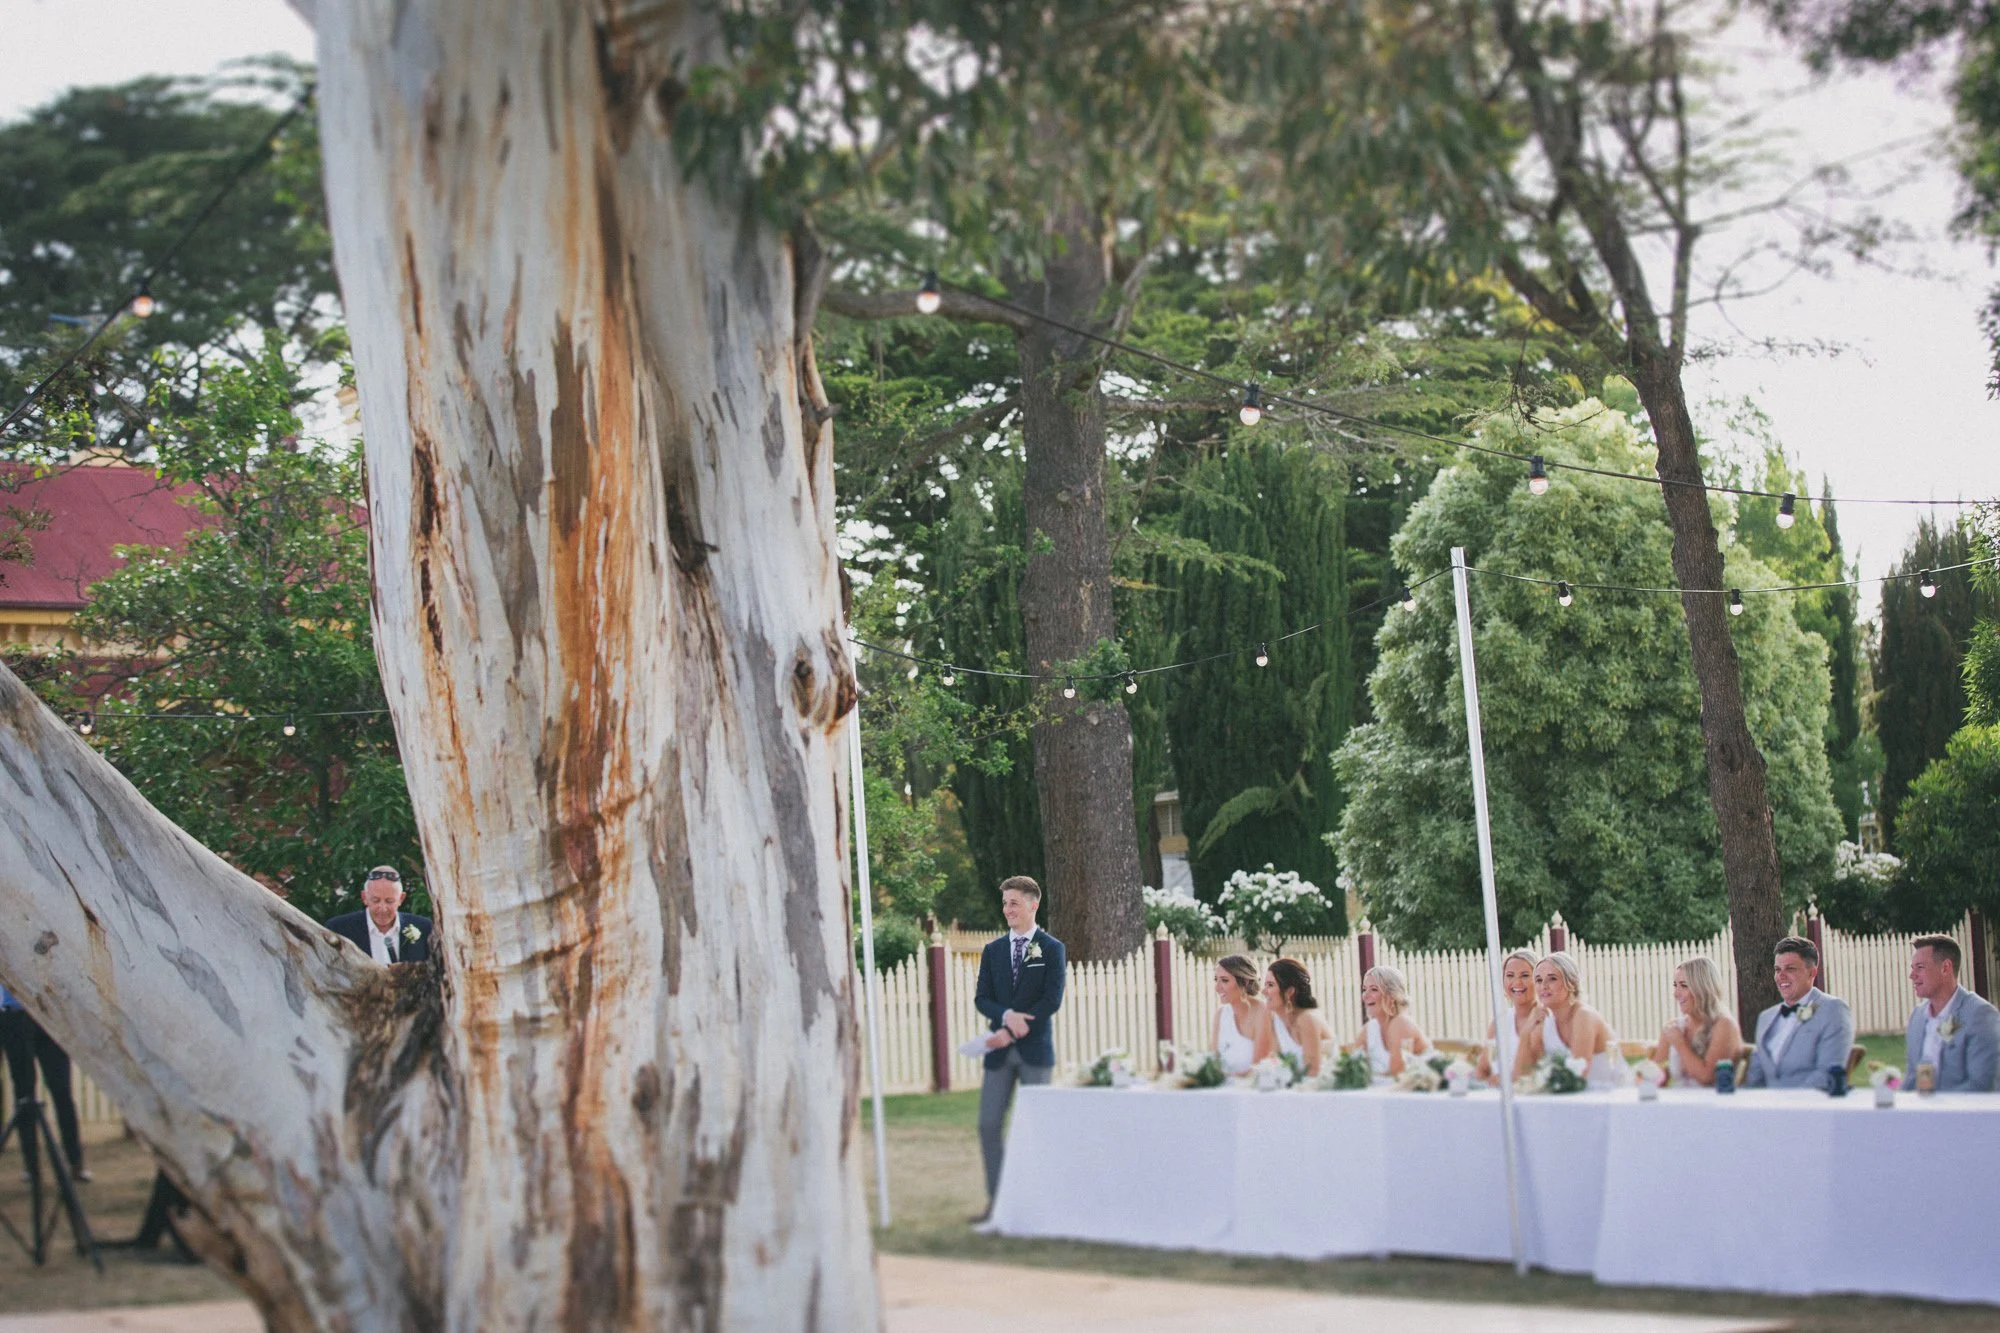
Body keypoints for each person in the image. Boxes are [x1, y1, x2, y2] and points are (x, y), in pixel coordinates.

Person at [972, 876, 1066, 1219]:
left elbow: (1051, 1000)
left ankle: (1040, 1204)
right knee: (988, 1125)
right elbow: (982, 998)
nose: (1007, 909)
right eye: (1005, 903)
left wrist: (1013, 1030)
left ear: (1033, 904)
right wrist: (1007, 1016)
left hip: (1034, 1051)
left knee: (1038, 1128)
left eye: (1014, 902)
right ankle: (999, 1204)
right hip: (997, 1053)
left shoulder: (1052, 948)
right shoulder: (993, 950)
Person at [0, 983, 87, 1182]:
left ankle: (75, 1163)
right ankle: (32, 1168)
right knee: (24, 1097)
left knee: (62, 1090)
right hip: (15, 1016)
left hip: (48, 1014)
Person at [1744, 936, 1855, 1091]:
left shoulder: (1833, 1010)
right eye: (1777, 970)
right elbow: (1754, 1078)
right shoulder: (1766, 1018)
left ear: (1812, 973)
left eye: (1790, 969)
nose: (1781, 976)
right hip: (1766, 1109)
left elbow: (1826, 1074)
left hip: (1809, 1109)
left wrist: (1785, 1104)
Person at [1512, 951, 1623, 1088]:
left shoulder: (1584, 1016)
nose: (1543, 986)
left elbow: (1576, 1077)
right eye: (1539, 980)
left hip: (1615, 1097)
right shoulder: (1545, 1024)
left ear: (1571, 982)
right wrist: (1525, 1033)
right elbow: (1519, 1078)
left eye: (1552, 978)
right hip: (1576, 1100)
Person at [1903, 934, 2000, 1092]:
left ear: (1945, 968)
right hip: (1921, 1112)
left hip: (1964, 1115)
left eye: (1920, 967)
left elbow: (1981, 1085)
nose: (1912, 976)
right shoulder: (1918, 1017)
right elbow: (1912, 1079)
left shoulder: (1980, 1015)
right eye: (1912, 968)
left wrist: (1934, 1110)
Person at [1652, 957, 1741, 1087]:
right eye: (1675, 986)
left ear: (1702, 988)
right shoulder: (1674, 1027)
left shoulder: (1724, 1025)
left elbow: (1707, 1077)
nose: (1676, 994)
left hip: (1713, 1104)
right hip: (1678, 1102)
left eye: (1683, 986)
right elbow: (1653, 1078)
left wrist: (1680, 1043)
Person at [326, 867, 433, 964]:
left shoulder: (423, 927)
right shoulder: (339, 928)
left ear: (401, 899)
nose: (382, 908)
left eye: (389, 901)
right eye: (376, 900)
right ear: (364, 898)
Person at [1257, 958, 1336, 1077]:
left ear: (1289, 991)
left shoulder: (1307, 1019)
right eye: (1265, 985)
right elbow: (1276, 1065)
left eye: (1270, 985)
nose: (1263, 991)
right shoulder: (1276, 1021)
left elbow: (1313, 1072)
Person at [1353, 964, 1431, 1078]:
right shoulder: (1370, 1029)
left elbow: (1398, 1074)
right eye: (1364, 989)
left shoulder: (1401, 1023)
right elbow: (1353, 1068)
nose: (1365, 996)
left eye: (1374, 989)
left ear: (1392, 995)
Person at [1477, 948, 1538, 1084]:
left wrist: (1502, 1081)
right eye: (1510, 975)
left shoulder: (1545, 1019)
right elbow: (1482, 1069)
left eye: (1524, 975)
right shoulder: (1499, 1022)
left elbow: (1535, 1072)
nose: (1516, 983)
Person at [1211, 955, 1268, 1076]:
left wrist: (1225, 1079)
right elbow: (1213, 1063)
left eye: (1225, 980)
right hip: (1222, 1090)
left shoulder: (1263, 1013)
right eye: (1216, 980)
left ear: (1245, 982)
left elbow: (1259, 1068)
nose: (1217, 988)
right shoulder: (1221, 1014)